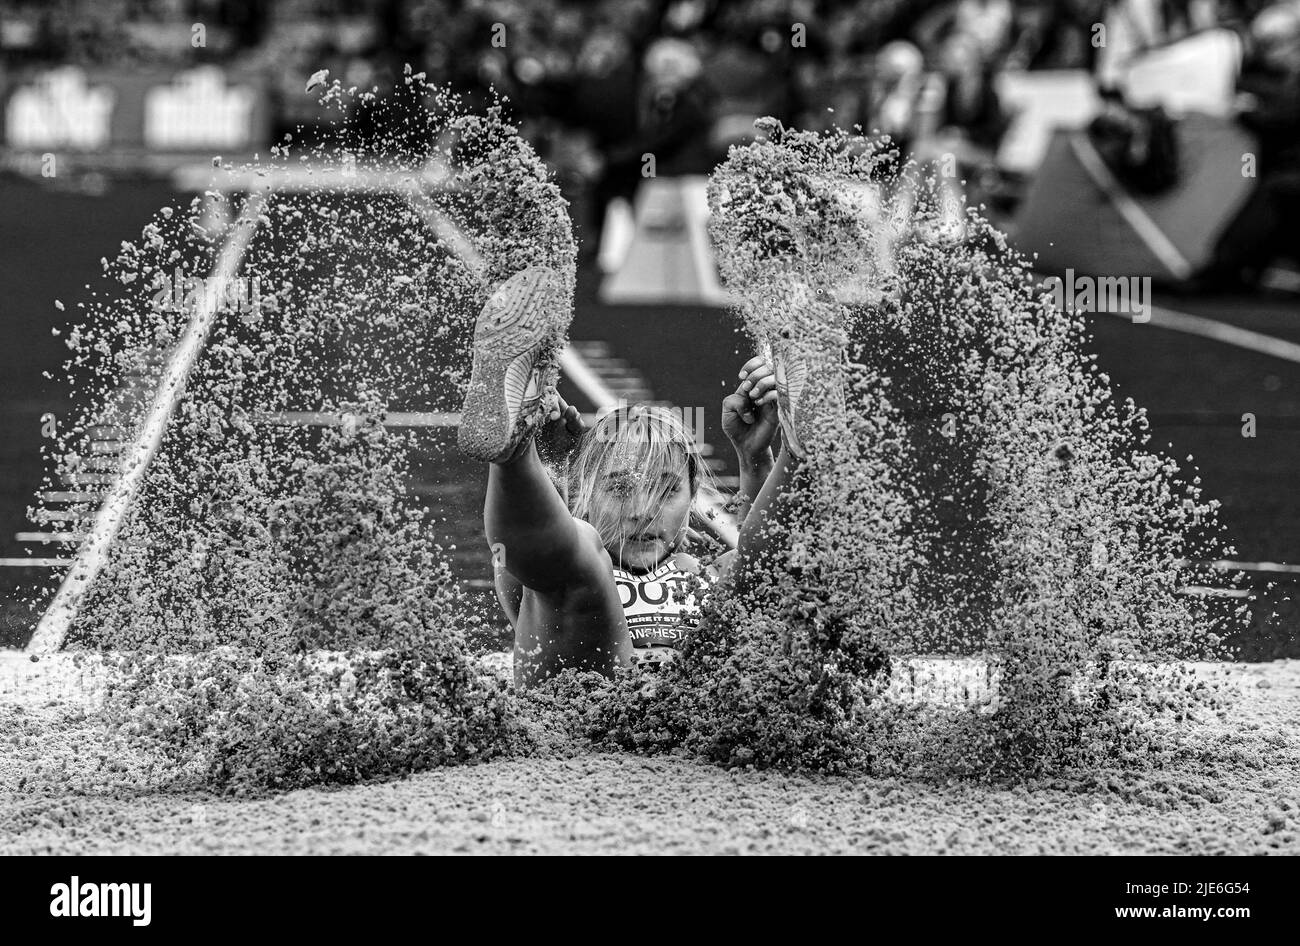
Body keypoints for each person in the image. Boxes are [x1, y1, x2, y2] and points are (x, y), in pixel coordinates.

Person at [457, 265, 819, 686]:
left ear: (692, 497)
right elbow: (517, 549)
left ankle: (802, 450)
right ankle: (515, 449)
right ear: (583, 494)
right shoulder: (552, 576)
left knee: (760, 579)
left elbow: (761, 558)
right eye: (621, 487)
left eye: (666, 491)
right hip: (584, 713)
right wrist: (546, 464)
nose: (645, 510)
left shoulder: (708, 577)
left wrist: (756, 459)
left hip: (705, 718)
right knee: (584, 562)